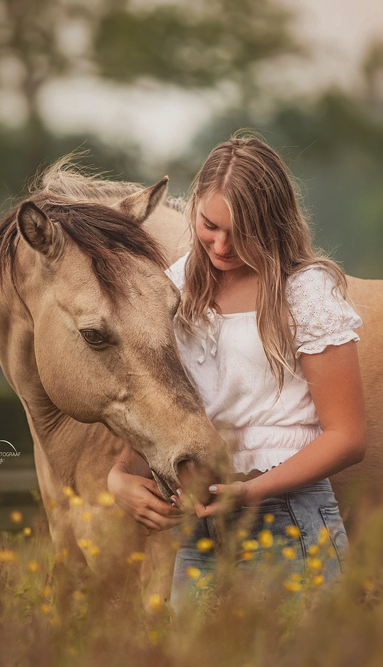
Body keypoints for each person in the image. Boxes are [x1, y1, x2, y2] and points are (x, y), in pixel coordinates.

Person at [107, 134, 367, 608]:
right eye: (210, 225)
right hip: (200, 527)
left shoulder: (305, 292)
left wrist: (249, 491)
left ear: (273, 224)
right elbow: (163, 405)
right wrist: (120, 478)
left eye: (241, 232)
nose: (222, 245)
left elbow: (348, 436)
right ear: (196, 208)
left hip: (290, 518)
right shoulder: (175, 288)